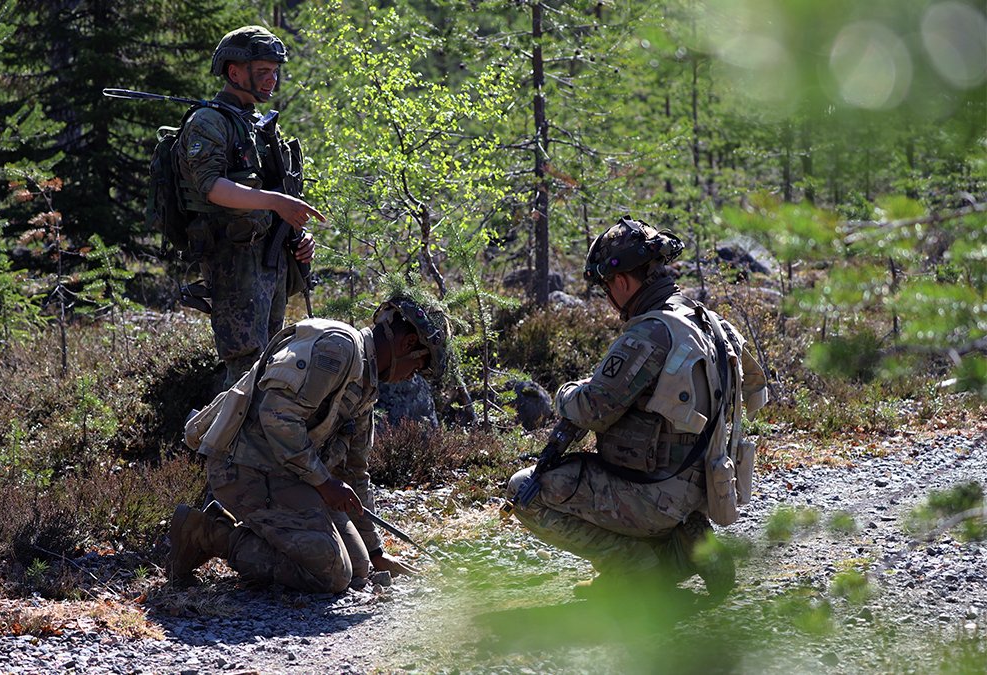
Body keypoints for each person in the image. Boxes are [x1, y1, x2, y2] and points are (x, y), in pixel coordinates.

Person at [505, 216, 768, 598]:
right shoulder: (708, 322)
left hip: (654, 494)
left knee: (524, 490)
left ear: (623, 282)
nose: (610, 300)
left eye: (607, 287)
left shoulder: (650, 331)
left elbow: (593, 408)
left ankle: (634, 568)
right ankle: (683, 546)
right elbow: (758, 393)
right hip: (704, 487)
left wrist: (566, 392)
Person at [168, 294, 451, 593]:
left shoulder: (365, 387)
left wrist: (375, 552)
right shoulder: (339, 349)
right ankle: (209, 534)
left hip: (288, 476)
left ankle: (267, 530)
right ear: (407, 344)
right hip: (245, 469)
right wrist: (324, 482)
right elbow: (277, 416)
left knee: (358, 567)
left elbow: (355, 472)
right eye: (418, 366)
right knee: (332, 574)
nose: (411, 377)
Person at [176, 25, 325, 386]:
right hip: (234, 260)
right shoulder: (208, 121)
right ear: (234, 72)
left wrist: (296, 236)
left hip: (267, 260)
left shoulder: (256, 125)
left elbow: (273, 190)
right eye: (262, 71)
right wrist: (277, 203)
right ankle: (222, 442)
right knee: (245, 369)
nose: (271, 79)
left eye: (275, 71)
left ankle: (256, 440)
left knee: (271, 364)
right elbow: (212, 187)